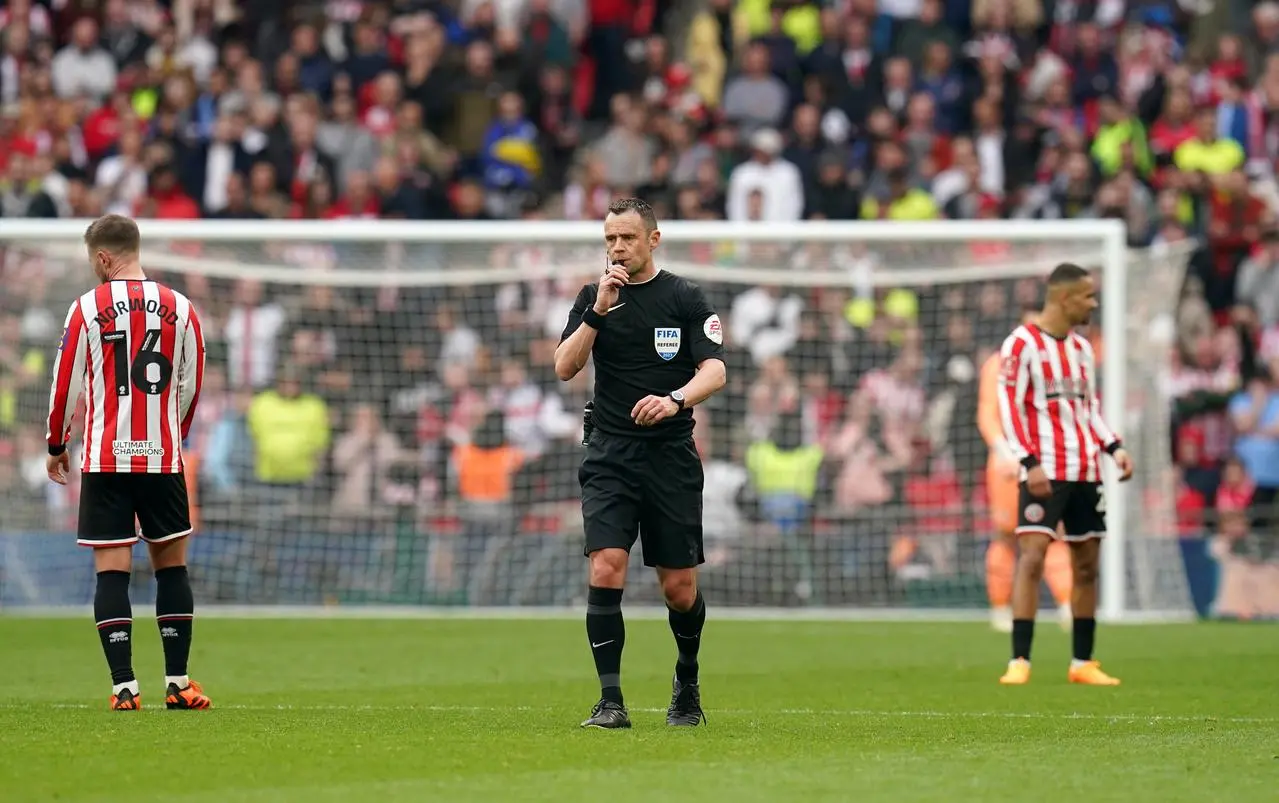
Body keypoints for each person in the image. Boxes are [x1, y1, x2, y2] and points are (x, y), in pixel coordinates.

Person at [554, 198, 728, 728]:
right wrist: (597, 311)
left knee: (678, 587)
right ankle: (610, 701)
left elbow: (716, 371)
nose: (617, 248)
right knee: (606, 564)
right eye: (609, 239)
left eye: (627, 238)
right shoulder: (593, 298)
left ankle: (687, 680)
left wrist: (675, 399)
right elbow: (565, 366)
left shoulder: (684, 297)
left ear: (653, 240)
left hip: (670, 456)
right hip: (609, 453)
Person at [45, 214, 209, 711]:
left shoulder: (85, 308)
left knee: (111, 572)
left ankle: (124, 688)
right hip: (160, 458)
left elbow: (65, 381)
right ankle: (178, 683)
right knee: (171, 568)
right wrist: (169, 432)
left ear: (102, 258)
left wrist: (57, 443)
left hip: (104, 456)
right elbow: (192, 380)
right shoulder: (181, 308)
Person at [994, 263, 1134, 686]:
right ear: (1063, 298)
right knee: (1032, 557)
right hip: (1044, 471)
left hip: (1086, 469)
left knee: (1087, 564)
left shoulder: (1082, 348)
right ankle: (1020, 660)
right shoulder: (1021, 344)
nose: (1094, 303)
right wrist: (1029, 462)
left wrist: (1114, 446)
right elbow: (1009, 407)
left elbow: (1087, 408)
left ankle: (1082, 663)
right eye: (1088, 296)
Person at [977, 305, 1073, 633]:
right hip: (1007, 465)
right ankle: (1000, 608)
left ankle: (1067, 605)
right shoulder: (998, 365)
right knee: (1007, 536)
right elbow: (987, 413)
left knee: (1053, 533)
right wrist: (1004, 450)